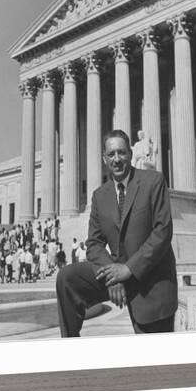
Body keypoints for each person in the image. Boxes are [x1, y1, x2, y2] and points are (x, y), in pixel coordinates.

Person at [56, 129, 177, 337]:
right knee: (67, 278)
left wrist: (129, 269)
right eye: (111, 154)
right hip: (117, 273)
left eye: (121, 153)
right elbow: (94, 243)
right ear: (104, 159)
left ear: (130, 154)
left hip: (150, 277)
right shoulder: (100, 195)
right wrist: (114, 276)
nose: (117, 159)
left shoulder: (153, 181)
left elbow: (162, 232)